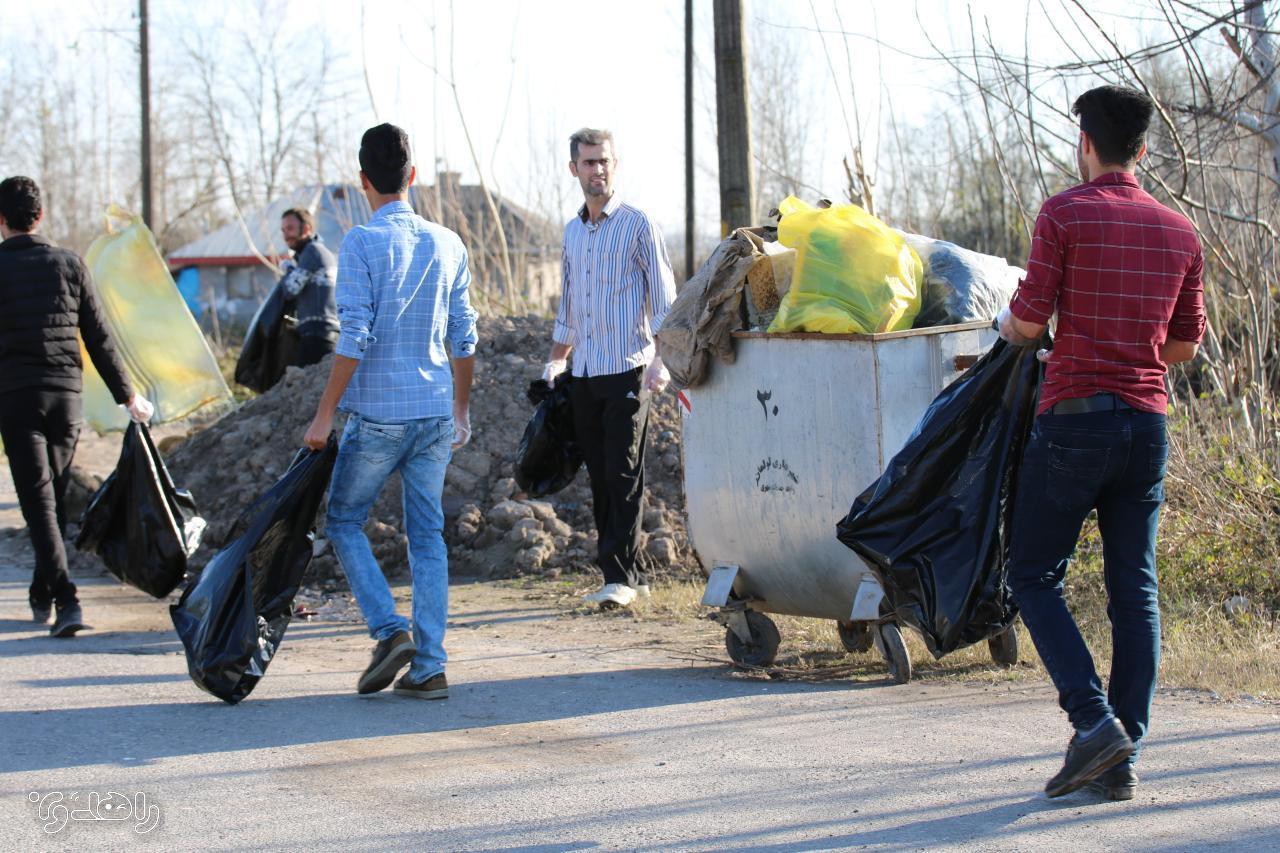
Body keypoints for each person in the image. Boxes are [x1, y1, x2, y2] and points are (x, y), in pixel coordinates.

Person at [998, 85, 1205, 800]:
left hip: (1075, 423)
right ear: (1142, 150)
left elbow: (1027, 322)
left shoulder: (1063, 213)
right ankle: (1123, 755)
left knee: (1030, 574)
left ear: (1086, 143)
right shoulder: (1181, 233)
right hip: (1146, 427)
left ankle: (1093, 722)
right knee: (1133, 591)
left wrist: (1011, 329)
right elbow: (1182, 344)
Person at [303, 123, 476, 700]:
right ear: (414, 175)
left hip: (378, 416)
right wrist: (460, 407)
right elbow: (464, 335)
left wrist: (324, 416)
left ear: (362, 181)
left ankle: (388, 630)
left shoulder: (359, 243)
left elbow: (354, 334)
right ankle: (429, 666)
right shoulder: (449, 242)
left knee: (345, 520)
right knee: (427, 537)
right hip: (433, 413)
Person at [0, 176, 153, 637]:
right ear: (40, 215)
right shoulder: (70, 264)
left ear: (1, 220)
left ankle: (65, 599)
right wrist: (128, 394)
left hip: (16, 398)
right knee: (49, 496)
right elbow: (98, 336)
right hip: (66, 399)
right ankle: (44, 588)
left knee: (40, 502)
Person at [542, 128, 677, 609]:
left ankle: (617, 578)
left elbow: (664, 300)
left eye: (604, 162)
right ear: (573, 169)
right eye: (588, 162)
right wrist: (556, 360)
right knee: (600, 474)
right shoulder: (572, 232)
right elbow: (570, 305)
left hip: (630, 369)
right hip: (585, 373)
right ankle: (631, 575)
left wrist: (661, 359)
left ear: (615, 165)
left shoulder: (638, 224)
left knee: (623, 472)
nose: (596, 170)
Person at [278, 206, 339, 367]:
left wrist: (287, 269)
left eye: (290, 229)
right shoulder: (319, 251)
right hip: (326, 334)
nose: (286, 235)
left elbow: (290, 290)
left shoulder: (312, 252)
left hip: (317, 336)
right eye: (283, 230)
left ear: (306, 228)